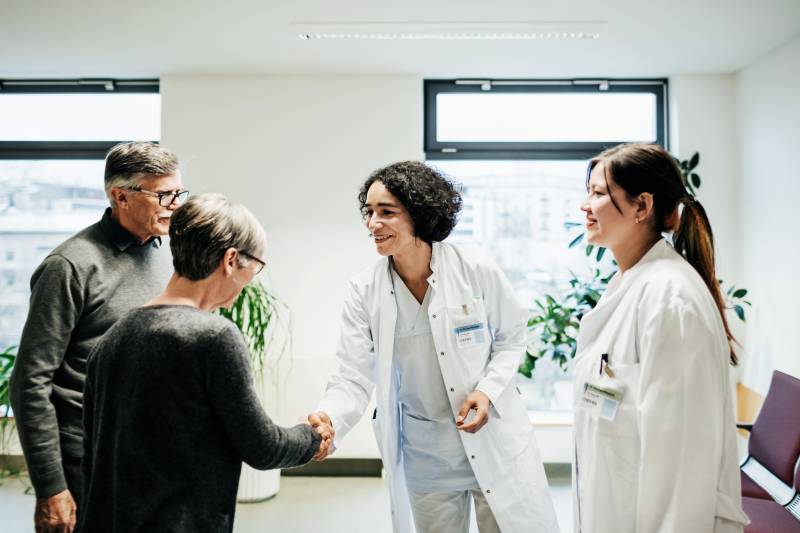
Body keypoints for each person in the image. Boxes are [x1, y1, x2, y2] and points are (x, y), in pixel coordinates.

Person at [308, 161, 560, 533]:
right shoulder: (365, 291)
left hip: (492, 440)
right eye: (369, 212)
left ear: (420, 215)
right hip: (427, 454)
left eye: (386, 212)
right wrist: (329, 417)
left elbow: (512, 336)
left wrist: (487, 391)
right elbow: (352, 375)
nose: (372, 224)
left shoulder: (474, 266)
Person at [77, 193, 330, 533]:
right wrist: (312, 437)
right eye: (253, 268)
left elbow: (91, 458)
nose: (247, 283)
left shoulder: (112, 338)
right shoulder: (212, 337)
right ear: (230, 260)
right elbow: (263, 447)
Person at [573, 143, 749, 532]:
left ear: (642, 206)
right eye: (588, 192)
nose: (585, 205)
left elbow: (684, 461)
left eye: (599, 193)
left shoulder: (672, 299)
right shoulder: (632, 283)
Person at [10, 141, 184, 533]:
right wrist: (51, 487)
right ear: (120, 196)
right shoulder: (69, 266)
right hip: (85, 460)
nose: (174, 204)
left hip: (147, 455)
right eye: (163, 195)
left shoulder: (166, 252)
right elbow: (30, 381)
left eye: (178, 192)